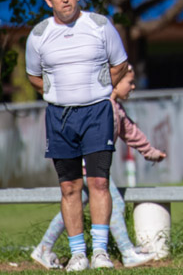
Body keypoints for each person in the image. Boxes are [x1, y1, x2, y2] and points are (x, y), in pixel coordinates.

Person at [26, 0, 129, 272]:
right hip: (59, 116)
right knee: (69, 187)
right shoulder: (39, 34)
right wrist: (60, 93)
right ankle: (78, 254)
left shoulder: (99, 25)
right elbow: (33, 76)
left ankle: (100, 253)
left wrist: (97, 88)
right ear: (48, 0)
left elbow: (120, 63)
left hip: (97, 112)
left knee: (98, 181)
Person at [31, 65, 165, 270]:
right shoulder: (104, 107)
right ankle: (126, 252)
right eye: (129, 82)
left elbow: (130, 132)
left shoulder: (115, 108)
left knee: (71, 209)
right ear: (115, 83)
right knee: (115, 205)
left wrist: (150, 152)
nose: (133, 86)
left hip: (89, 170)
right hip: (87, 168)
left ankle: (43, 248)